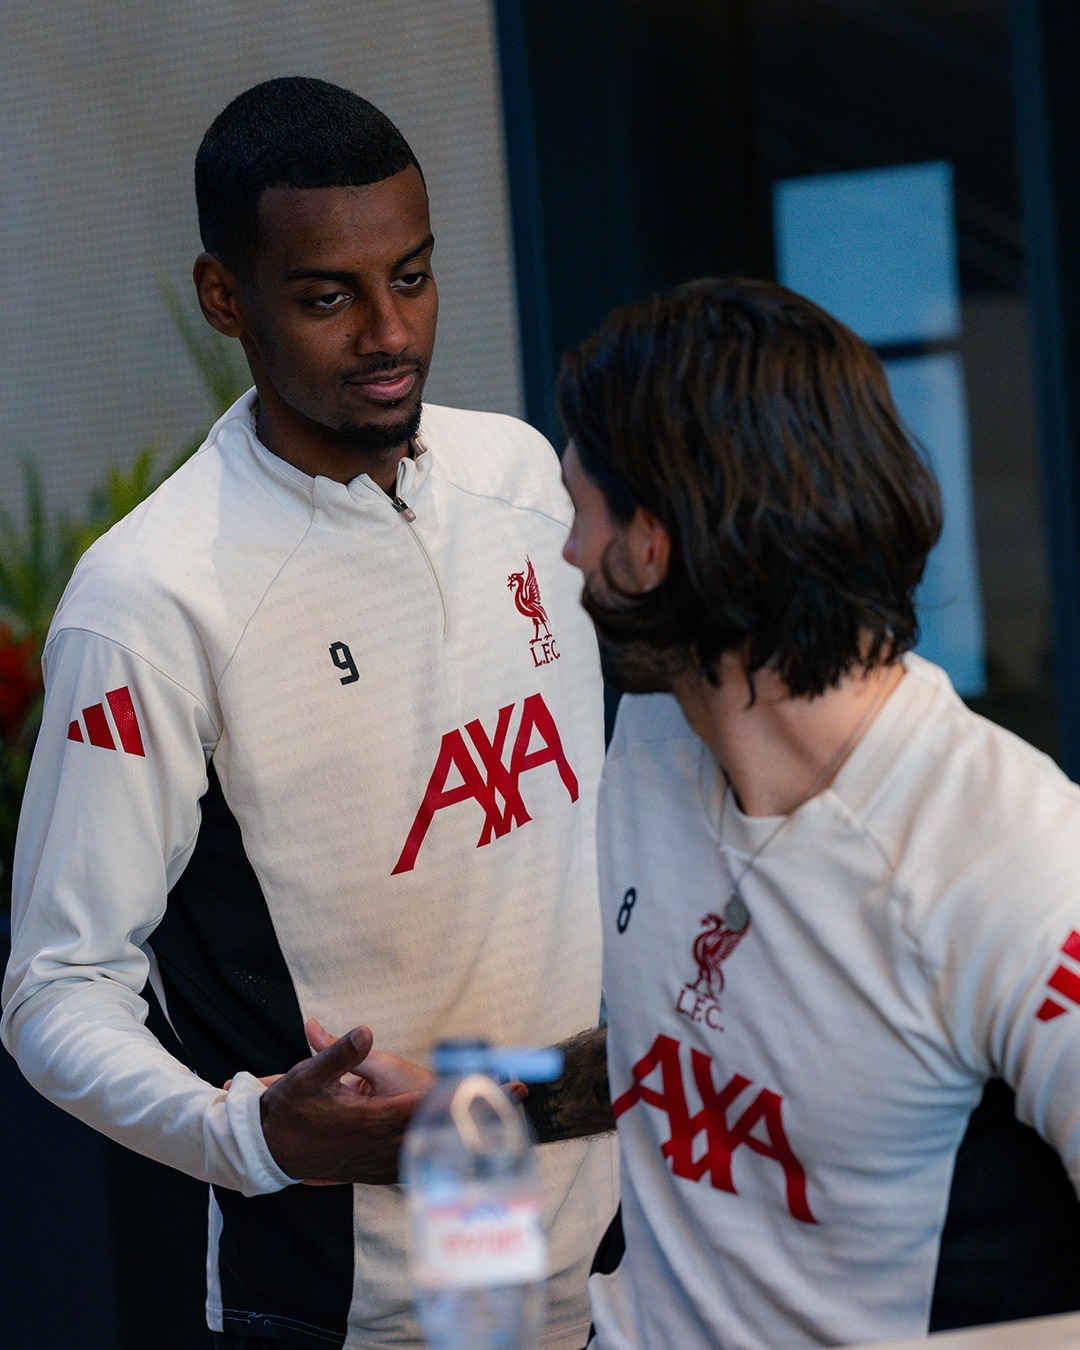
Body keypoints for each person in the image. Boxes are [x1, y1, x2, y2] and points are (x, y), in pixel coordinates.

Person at [1, 77, 615, 1349]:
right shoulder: (150, 598)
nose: (390, 333)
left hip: (633, 1260)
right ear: (224, 296)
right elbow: (56, 989)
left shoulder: (523, 477)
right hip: (363, 1299)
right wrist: (252, 1134)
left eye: (413, 277)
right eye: (328, 297)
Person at [550, 276, 1080, 1346]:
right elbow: (706, 1041)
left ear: (651, 548)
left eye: (580, 511)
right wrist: (469, 1102)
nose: (565, 553)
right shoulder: (656, 728)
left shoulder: (1013, 860)